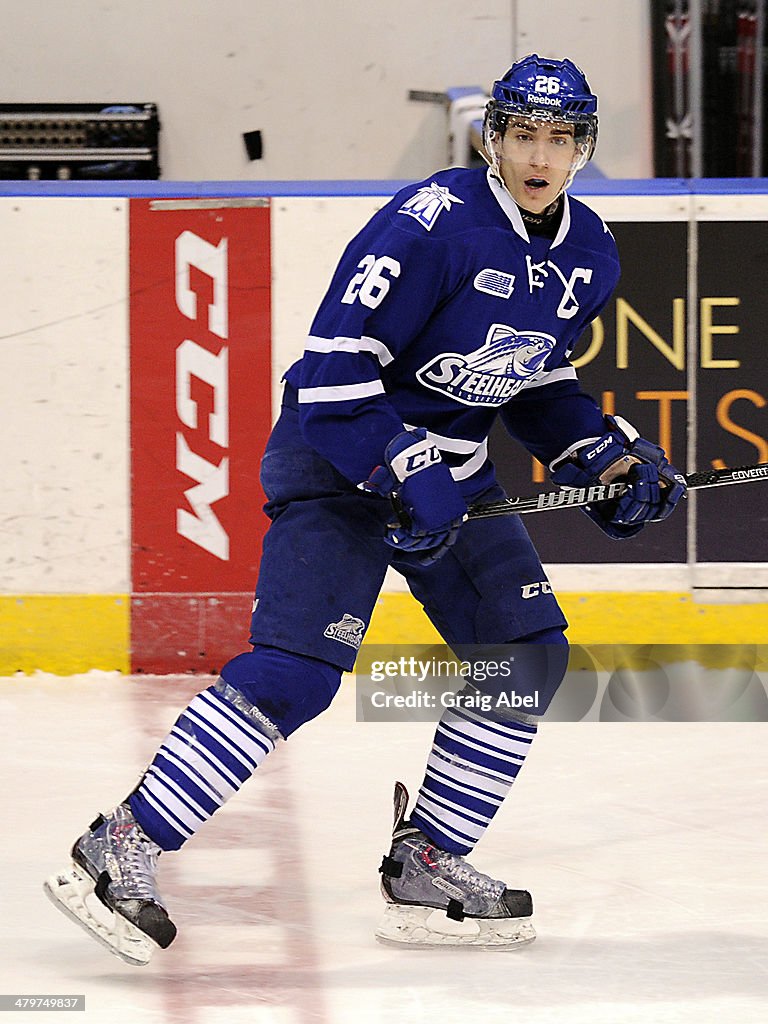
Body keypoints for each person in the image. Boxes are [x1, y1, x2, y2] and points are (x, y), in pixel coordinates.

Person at [44, 54, 686, 963]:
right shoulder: (430, 224)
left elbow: (538, 377)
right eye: (523, 135)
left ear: (582, 146)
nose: (540, 155)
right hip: (338, 459)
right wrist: (400, 464)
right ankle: (124, 843)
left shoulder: (590, 251)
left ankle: (428, 859)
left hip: (451, 481)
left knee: (528, 657)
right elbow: (336, 365)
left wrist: (604, 454)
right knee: (298, 672)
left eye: (560, 138)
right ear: (492, 138)